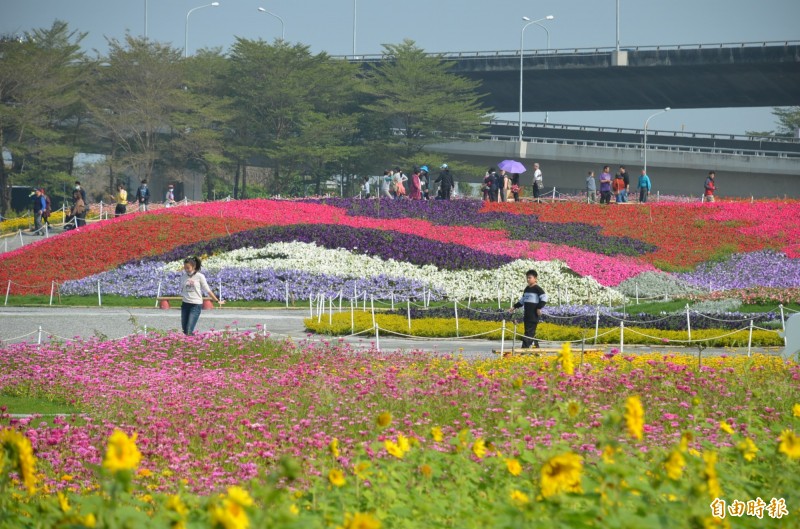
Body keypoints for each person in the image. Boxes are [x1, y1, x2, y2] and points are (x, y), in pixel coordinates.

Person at [180, 256, 224, 336]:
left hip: (195, 305)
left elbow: (207, 290)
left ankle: (192, 344)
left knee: (189, 329)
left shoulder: (200, 276)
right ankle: (189, 344)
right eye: (185, 268)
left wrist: (217, 300)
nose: (186, 270)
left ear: (194, 267)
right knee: (184, 329)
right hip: (185, 304)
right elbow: (182, 289)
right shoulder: (183, 277)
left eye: (188, 268)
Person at [508, 269, 548, 349]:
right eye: (527, 278)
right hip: (527, 314)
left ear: (535, 278)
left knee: (529, 332)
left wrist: (538, 308)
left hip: (533, 315)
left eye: (530, 278)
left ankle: (523, 351)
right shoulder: (527, 289)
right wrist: (514, 307)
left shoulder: (538, 289)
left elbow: (544, 298)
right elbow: (522, 300)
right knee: (530, 332)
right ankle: (536, 350)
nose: (528, 279)